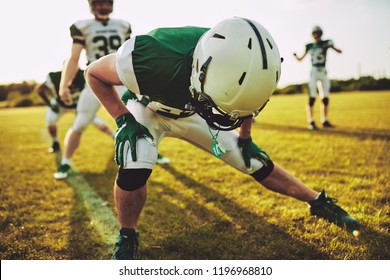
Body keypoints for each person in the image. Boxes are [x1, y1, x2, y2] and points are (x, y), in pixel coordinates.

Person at [85, 17, 360, 259]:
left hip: (195, 109)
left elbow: (247, 101)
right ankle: (127, 235)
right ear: (202, 69)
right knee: (137, 156)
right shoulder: (147, 56)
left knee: (251, 160)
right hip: (147, 106)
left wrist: (246, 136)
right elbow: (94, 73)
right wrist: (123, 119)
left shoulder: (243, 56)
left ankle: (317, 201)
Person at [53, 0, 132, 179]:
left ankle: (149, 153)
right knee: (80, 123)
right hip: (95, 80)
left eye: (107, 3)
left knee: (139, 119)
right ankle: (65, 162)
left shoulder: (123, 25)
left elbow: (130, 54)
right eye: (100, 3)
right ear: (92, 5)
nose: (104, 7)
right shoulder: (83, 27)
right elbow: (74, 58)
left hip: (121, 79)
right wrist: (63, 84)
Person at [37, 69, 115, 153]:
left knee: (96, 121)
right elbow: (40, 90)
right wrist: (49, 103)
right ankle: (55, 142)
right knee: (50, 120)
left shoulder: (84, 75)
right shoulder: (55, 77)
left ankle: (114, 136)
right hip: (60, 104)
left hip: (77, 105)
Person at [293, 25, 342, 130]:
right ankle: (311, 121)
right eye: (314, 33)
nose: (316, 35)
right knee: (312, 97)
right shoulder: (309, 46)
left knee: (325, 98)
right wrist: (296, 56)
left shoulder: (326, 43)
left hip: (323, 71)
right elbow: (300, 59)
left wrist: (336, 48)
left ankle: (324, 120)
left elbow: (337, 50)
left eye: (318, 33)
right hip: (314, 71)